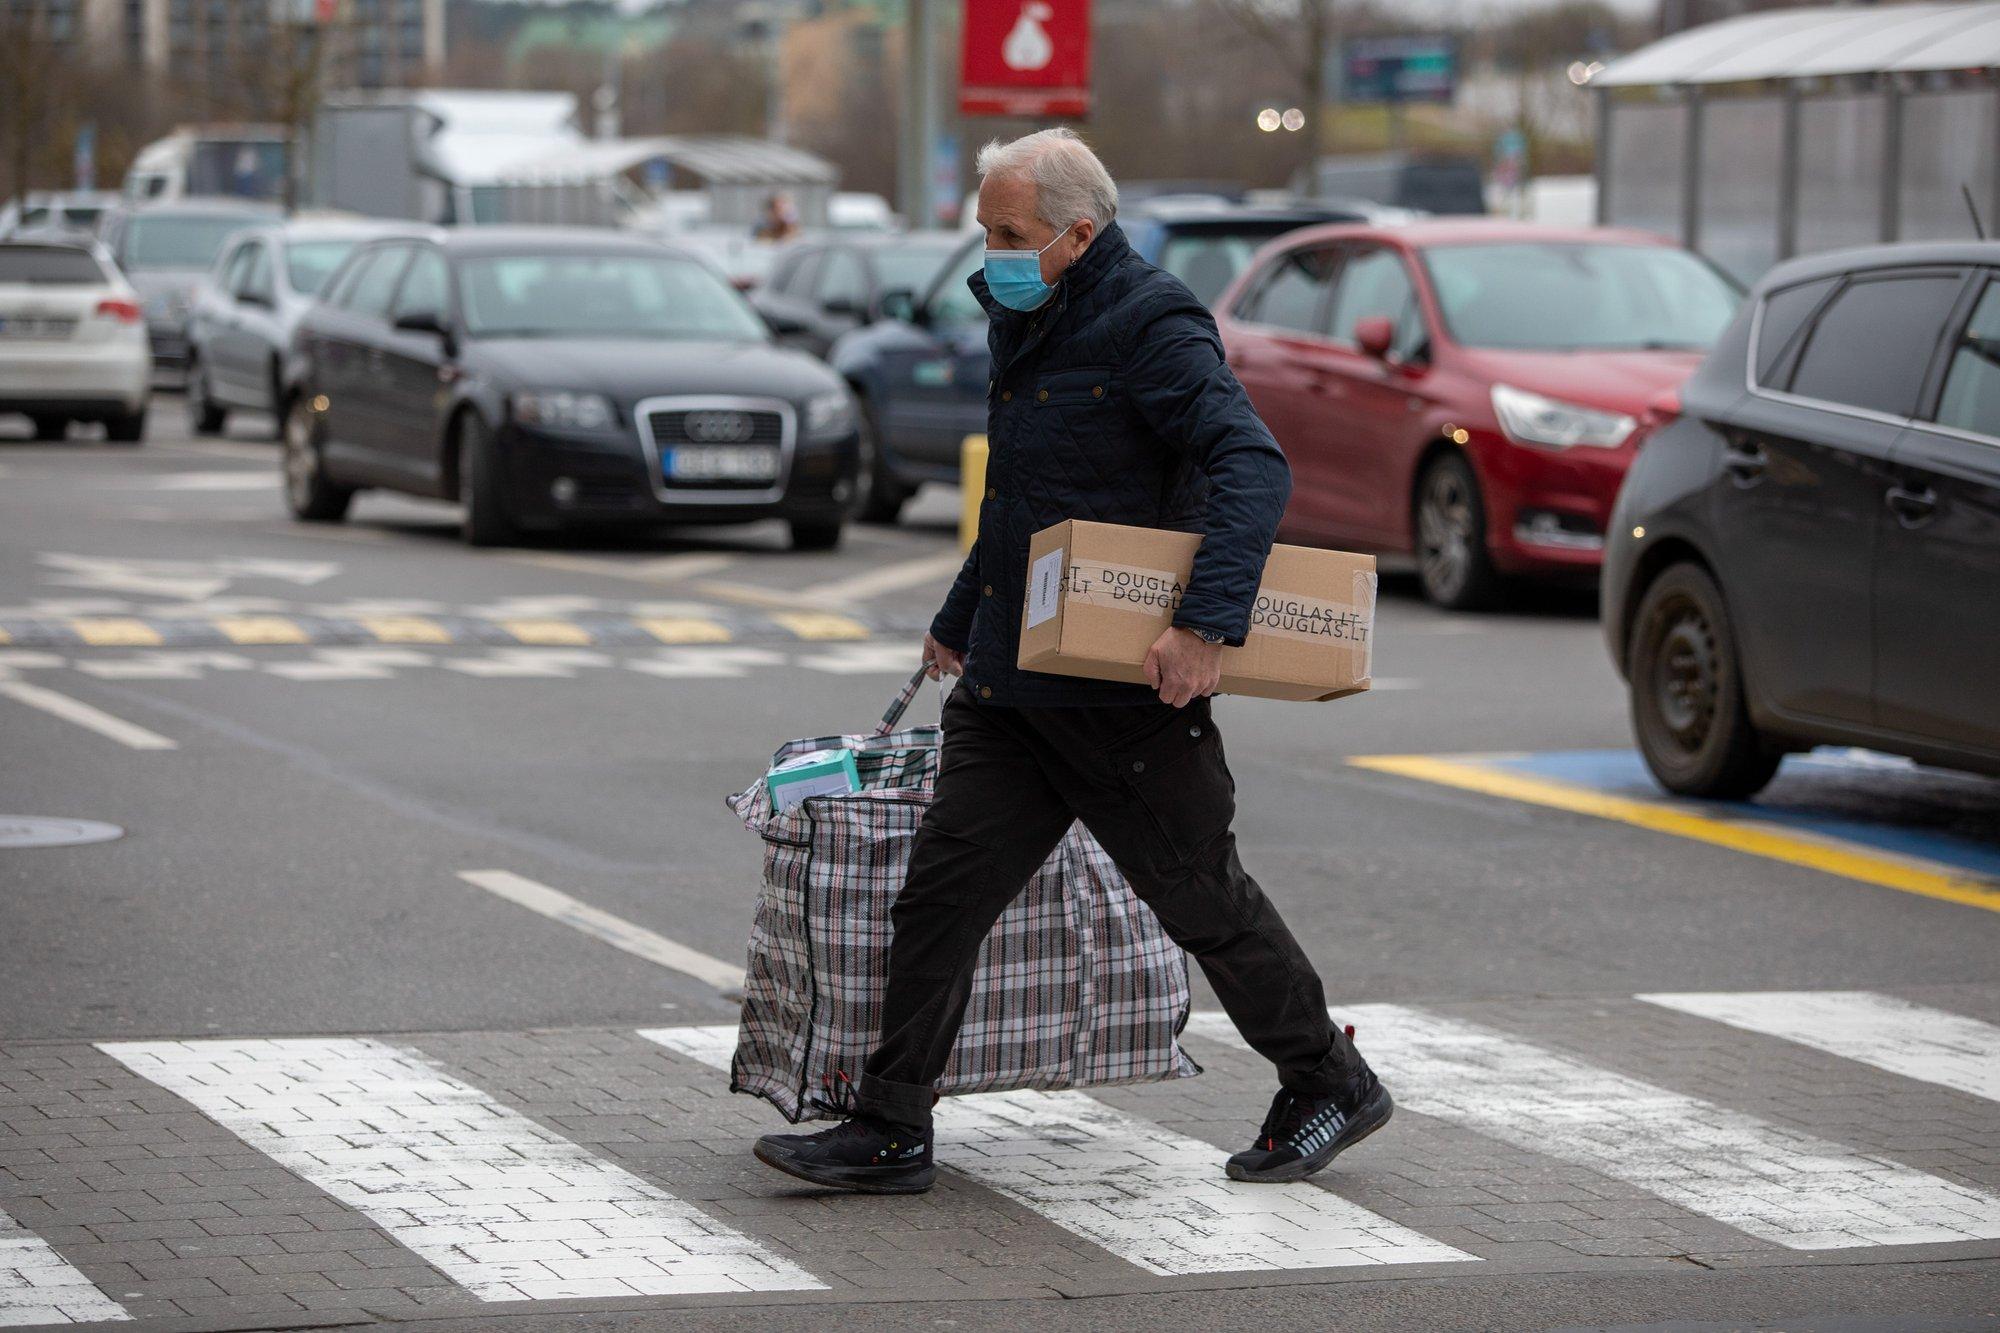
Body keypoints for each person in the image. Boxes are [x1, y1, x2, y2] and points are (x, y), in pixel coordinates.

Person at [753, 128, 1390, 1194]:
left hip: (1121, 698)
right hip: (1010, 688)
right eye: (985, 232)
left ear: (1076, 235)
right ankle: (890, 1122)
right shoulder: (1029, 315)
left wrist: (1203, 625)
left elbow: (1249, 464)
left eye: (1008, 234)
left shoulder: (1151, 323)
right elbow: (1021, 498)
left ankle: (1328, 1077)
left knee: (1200, 900)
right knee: (939, 897)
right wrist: (961, 613)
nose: (990, 253)